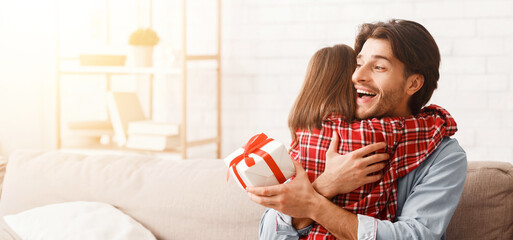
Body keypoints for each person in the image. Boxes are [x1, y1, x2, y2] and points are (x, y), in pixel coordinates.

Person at [246, 19, 467, 240]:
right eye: (359, 64)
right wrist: (326, 184)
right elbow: (270, 234)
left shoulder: (442, 155)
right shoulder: (327, 134)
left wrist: (314, 205)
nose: (357, 77)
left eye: (378, 67)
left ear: (413, 84)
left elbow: (415, 236)